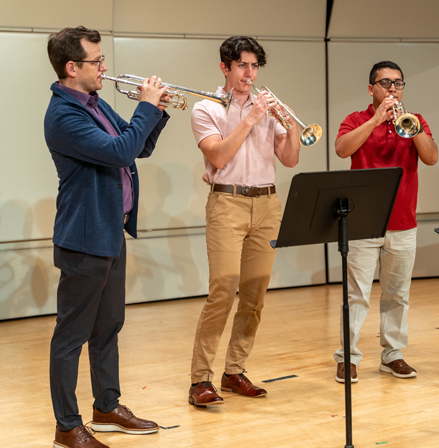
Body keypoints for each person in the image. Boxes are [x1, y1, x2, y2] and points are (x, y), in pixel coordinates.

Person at [44, 26, 170, 448]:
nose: (104, 67)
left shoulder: (94, 103)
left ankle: (107, 406)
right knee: (71, 336)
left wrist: (157, 111)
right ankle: (67, 426)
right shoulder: (64, 114)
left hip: (109, 233)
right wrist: (146, 109)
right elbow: (118, 152)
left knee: (108, 326)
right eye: (96, 61)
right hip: (83, 239)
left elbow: (139, 148)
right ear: (71, 67)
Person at [188, 36, 301, 405]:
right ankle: (200, 379)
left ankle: (234, 371)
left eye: (254, 66)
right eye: (242, 66)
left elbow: (290, 159)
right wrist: (251, 118)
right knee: (223, 288)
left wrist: (292, 125)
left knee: (254, 295)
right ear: (225, 67)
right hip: (228, 202)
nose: (249, 74)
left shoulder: (269, 107)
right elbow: (219, 157)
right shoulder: (207, 108)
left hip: (267, 204)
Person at [333, 61, 438, 383]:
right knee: (356, 295)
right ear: (371, 89)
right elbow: (342, 149)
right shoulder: (355, 119)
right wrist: (377, 119)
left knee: (397, 294)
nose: (393, 89)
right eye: (385, 83)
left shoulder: (415, 121)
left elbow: (431, 157)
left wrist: (413, 128)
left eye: (398, 83)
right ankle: (347, 357)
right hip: (364, 222)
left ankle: (392, 355)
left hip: (403, 222)